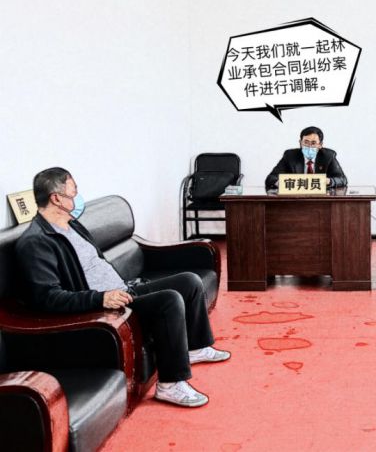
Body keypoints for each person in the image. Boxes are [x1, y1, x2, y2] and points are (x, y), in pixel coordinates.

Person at [15, 168, 230, 408]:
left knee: (189, 281)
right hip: (104, 306)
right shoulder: (36, 243)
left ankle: (196, 348)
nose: (77, 197)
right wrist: (100, 298)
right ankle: (170, 384)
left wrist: (118, 288)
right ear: (56, 198)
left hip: (122, 290)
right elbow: (47, 297)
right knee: (169, 300)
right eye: (73, 192)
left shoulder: (72, 225)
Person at [265, 126, 347, 190]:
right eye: (306, 142)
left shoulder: (328, 156)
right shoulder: (290, 156)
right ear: (300, 143)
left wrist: (329, 181)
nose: (309, 146)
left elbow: (342, 179)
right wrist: (281, 183)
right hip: (296, 198)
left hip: (321, 198)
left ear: (320, 145)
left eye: (313, 143)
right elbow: (271, 178)